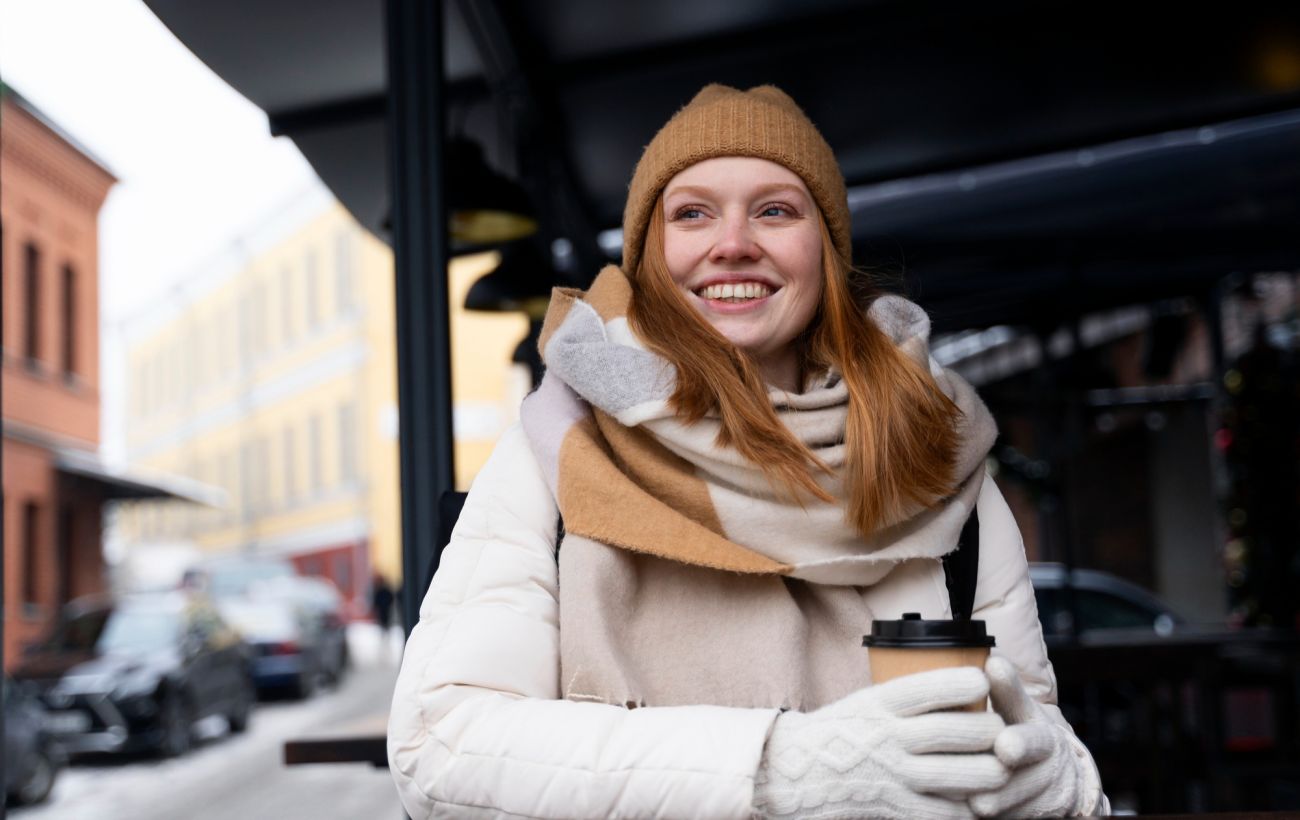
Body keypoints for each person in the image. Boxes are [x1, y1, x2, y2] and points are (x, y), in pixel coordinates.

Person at [388, 84, 1108, 819]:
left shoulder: (935, 455)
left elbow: (1036, 727)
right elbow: (439, 745)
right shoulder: (557, 453)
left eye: (774, 210)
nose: (732, 243)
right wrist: (779, 770)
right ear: (650, 256)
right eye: (692, 213)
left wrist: (1061, 781)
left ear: (825, 251)